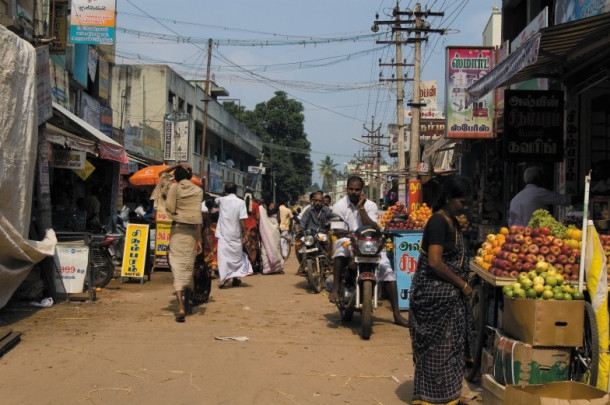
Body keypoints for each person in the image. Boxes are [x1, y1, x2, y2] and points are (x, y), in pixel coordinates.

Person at [409, 175, 474, 405]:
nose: (465, 208)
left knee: (450, 350)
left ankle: (450, 396)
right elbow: (435, 263)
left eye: (468, 203)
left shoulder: (451, 221)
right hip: (434, 297)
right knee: (438, 351)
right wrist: (463, 284)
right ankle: (432, 398)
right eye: (462, 203)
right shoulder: (437, 222)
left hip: (449, 298)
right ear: (448, 198)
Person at [328, 175, 409, 328]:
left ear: (362, 190)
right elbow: (337, 229)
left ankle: (397, 314)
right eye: (351, 189)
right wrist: (347, 234)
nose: (354, 192)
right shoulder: (339, 206)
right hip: (349, 239)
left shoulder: (370, 205)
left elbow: (374, 226)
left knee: (388, 271)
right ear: (346, 189)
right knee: (340, 249)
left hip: (369, 242)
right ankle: (336, 288)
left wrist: (361, 208)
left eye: (357, 189)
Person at [161, 163, 203, 323]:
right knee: (187, 268)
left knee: (178, 271)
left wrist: (177, 165)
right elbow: (198, 217)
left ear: (176, 177)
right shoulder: (197, 191)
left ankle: (180, 306)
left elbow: (162, 176)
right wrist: (199, 239)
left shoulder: (174, 189)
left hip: (178, 232)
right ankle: (186, 303)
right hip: (192, 234)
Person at [215, 182, 253, 288]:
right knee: (237, 257)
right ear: (236, 191)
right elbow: (242, 220)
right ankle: (236, 278)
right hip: (235, 233)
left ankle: (224, 278)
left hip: (223, 234)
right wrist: (245, 232)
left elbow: (215, 201)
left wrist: (223, 193)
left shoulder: (221, 200)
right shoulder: (240, 202)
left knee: (223, 257)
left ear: (226, 191)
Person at [258, 192, 284, 275]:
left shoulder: (261, 208)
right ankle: (278, 268)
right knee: (275, 247)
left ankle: (267, 269)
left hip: (265, 231)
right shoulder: (276, 207)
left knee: (266, 249)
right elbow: (279, 220)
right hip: (275, 230)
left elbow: (258, 219)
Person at [244, 190, 261, 272]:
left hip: (244, 229)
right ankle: (252, 265)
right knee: (253, 247)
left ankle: (245, 266)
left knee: (245, 247)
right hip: (253, 228)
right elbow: (258, 217)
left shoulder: (242, 205)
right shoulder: (255, 205)